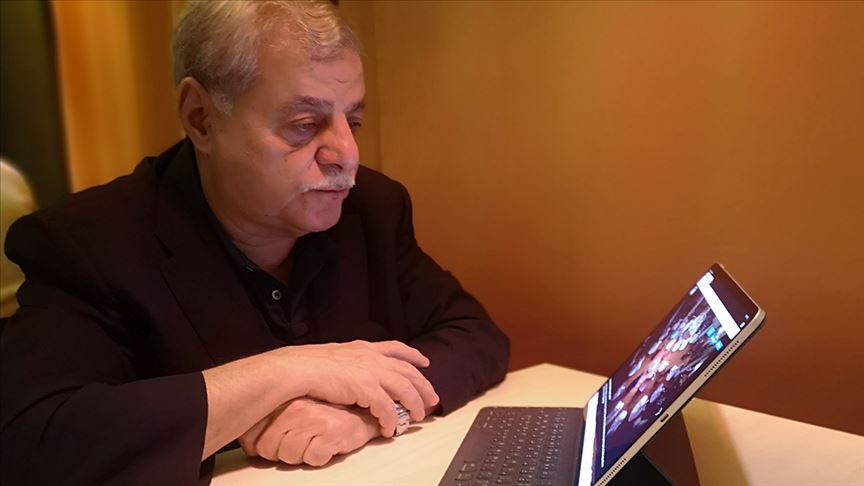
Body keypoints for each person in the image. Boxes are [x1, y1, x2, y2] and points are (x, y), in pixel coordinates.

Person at [0, 1, 509, 485]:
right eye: (305, 126)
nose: (347, 155)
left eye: (353, 121)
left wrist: (372, 413)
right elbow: (32, 442)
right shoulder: (87, 242)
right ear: (200, 118)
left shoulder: (372, 208)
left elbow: (475, 335)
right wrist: (289, 370)